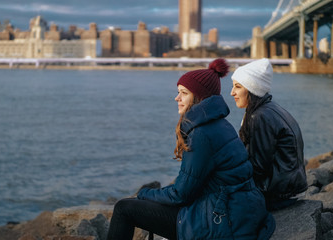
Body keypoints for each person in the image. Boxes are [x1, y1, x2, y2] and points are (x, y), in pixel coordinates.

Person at [107, 59, 275, 240]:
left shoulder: (202, 134)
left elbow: (181, 194)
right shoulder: (219, 124)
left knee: (124, 209)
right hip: (238, 209)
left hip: (220, 219)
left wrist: (145, 194)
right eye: (178, 92)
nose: (176, 98)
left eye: (183, 93)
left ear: (199, 98)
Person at [230, 58, 308, 211]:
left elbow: (259, 167)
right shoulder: (270, 108)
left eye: (238, 87)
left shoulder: (259, 116)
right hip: (292, 186)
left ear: (252, 89)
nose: (232, 92)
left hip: (281, 193)